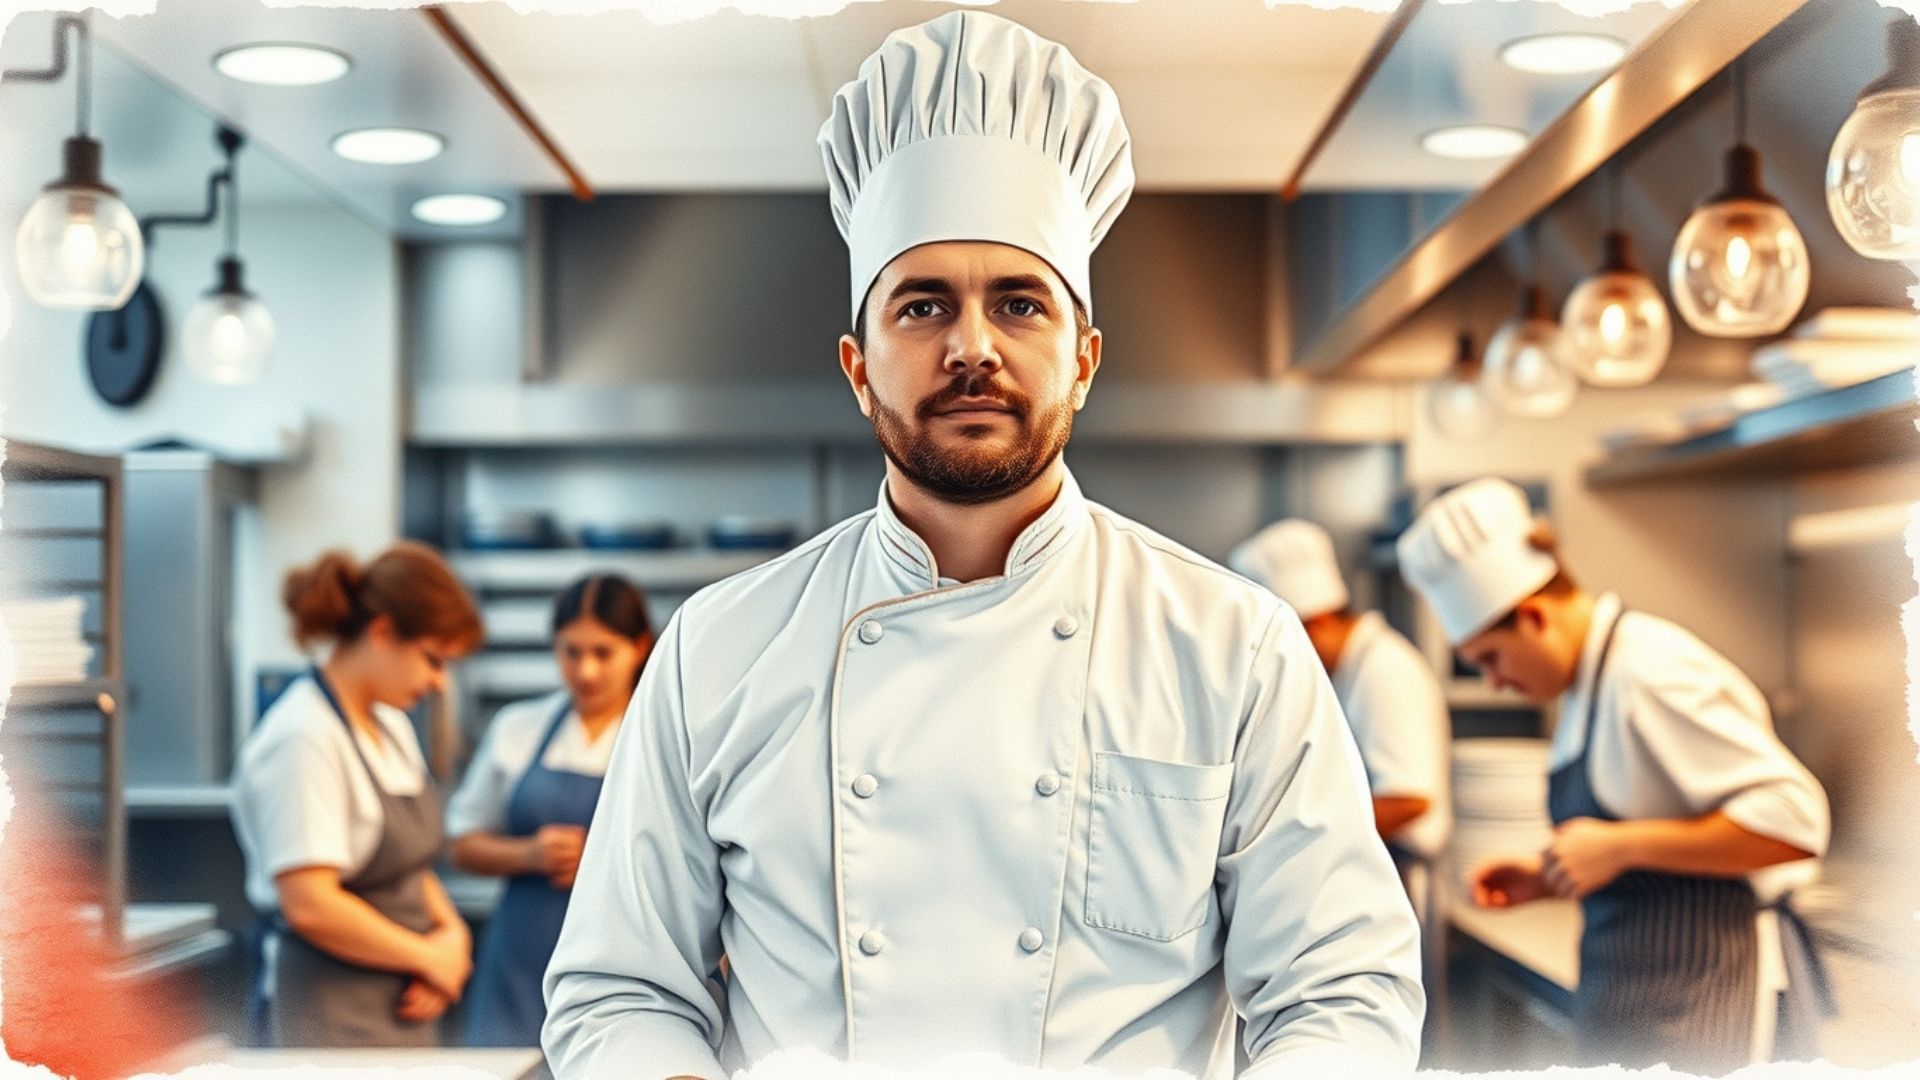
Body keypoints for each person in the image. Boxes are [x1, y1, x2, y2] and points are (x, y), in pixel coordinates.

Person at [543, 11, 1422, 1078]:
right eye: (921, 307)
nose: (973, 348)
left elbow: (1342, 989)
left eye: (1019, 304)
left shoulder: (1234, 645)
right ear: (858, 367)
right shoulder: (715, 648)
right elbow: (620, 987)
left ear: (1086, 359)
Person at [1396, 478, 1831, 1072]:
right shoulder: (1589, 684)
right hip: (1643, 1003)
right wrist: (1549, 875)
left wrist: (1621, 846)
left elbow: (1798, 821)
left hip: (1702, 1005)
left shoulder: (1648, 671)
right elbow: (1651, 833)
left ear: (1532, 616)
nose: (1495, 683)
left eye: (1490, 660)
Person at [232, 542, 484, 1047]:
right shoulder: (303, 737)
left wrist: (451, 938)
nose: (437, 683)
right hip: (325, 1013)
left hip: (402, 1010)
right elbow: (311, 903)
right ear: (383, 631)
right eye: (433, 660)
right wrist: (425, 956)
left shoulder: (390, 726)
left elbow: (409, 869)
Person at [449, 574, 654, 1048]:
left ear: (640, 647)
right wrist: (528, 856)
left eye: (603, 653)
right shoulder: (519, 728)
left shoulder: (658, 737)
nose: (585, 671)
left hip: (621, 971)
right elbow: (461, 845)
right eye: (570, 651)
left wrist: (604, 862)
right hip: (517, 965)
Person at [1230, 519, 1452, 862]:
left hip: (1402, 866)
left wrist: (1295, 844)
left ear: (1318, 622)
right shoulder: (1349, 671)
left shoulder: (1383, 669)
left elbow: (1409, 800)